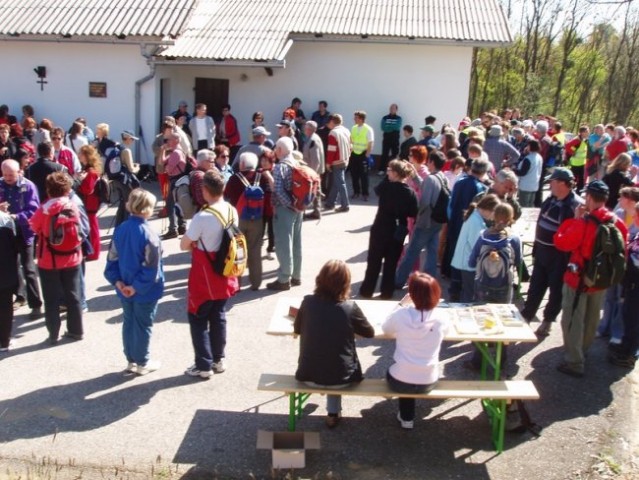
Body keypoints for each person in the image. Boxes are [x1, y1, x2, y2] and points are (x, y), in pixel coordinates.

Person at [554, 180, 628, 377]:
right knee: (592, 318)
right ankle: (583, 351)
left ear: (588, 198)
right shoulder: (616, 221)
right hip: (602, 280)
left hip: (578, 278)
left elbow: (562, 242)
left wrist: (574, 219)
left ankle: (574, 361)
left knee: (573, 319)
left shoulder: (585, 222)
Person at [294, 260, 375, 427]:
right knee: (337, 358)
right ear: (346, 283)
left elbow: (298, 328)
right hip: (342, 378)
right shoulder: (349, 307)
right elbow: (369, 333)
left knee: (325, 352)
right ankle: (333, 413)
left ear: (320, 279)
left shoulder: (308, 302)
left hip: (308, 375)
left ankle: (332, 413)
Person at [180, 170, 240, 378]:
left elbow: (184, 244)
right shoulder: (231, 210)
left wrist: (195, 243)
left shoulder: (202, 216)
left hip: (205, 274)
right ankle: (218, 359)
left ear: (205, 191)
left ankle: (203, 364)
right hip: (225, 271)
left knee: (198, 318)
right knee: (218, 316)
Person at [104, 188, 164, 375]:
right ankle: (142, 361)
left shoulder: (121, 229)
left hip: (124, 285)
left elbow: (112, 258)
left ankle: (131, 359)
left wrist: (118, 282)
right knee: (143, 324)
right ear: (148, 209)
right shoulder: (149, 234)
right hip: (144, 290)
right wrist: (136, 287)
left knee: (129, 322)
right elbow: (151, 267)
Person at [520, 168, 584, 337]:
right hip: (542, 250)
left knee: (556, 290)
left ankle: (548, 321)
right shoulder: (551, 199)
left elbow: (573, 234)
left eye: (553, 182)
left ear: (563, 184)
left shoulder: (575, 205)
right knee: (535, 286)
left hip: (559, 256)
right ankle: (526, 316)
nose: (550, 185)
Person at [382, 272, 448, 429]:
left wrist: (401, 304)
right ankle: (407, 418)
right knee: (413, 372)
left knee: (403, 372)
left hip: (399, 379)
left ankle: (407, 419)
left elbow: (386, 329)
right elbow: (447, 332)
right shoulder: (441, 318)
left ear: (411, 294)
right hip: (429, 379)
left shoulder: (401, 314)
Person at [29, 172, 84, 344]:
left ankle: (54, 334)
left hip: (49, 259)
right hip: (73, 257)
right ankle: (76, 331)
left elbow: (34, 227)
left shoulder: (45, 208)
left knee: (51, 299)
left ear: (48, 189)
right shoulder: (72, 205)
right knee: (73, 295)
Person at [360, 160, 418, 299]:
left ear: (396, 173)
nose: (387, 172)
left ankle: (367, 290)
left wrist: (388, 178)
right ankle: (386, 292)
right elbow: (413, 212)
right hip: (397, 230)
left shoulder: (385, 187)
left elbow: (377, 190)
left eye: (389, 170)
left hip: (380, 227)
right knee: (391, 264)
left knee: (374, 261)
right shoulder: (409, 192)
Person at [395, 151, 447, 285]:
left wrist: (416, 215)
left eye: (429, 161)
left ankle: (399, 281)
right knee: (432, 252)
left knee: (411, 252)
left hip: (425, 223)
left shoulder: (430, 179)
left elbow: (424, 202)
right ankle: (428, 282)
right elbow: (426, 186)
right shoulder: (442, 177)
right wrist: (415, 175)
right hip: (437, 222)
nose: (427, 163)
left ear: (432, 163)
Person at [0, 159, 42, 317]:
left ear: (19, 172)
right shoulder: (0, 184)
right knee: (12, 266)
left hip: (25, 232)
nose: (8, 178)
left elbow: (34, 210)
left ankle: (36, 304)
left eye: (11, 175)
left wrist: (16, 217)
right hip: (6, 232)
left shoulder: (28, 186)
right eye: (5, 175)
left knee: (29, 268)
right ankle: (20, 296)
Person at [442, 158, 490, 294]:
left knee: (453, 248)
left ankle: (449, 273)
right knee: (463, 251)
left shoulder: (460, 181)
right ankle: (457, 280)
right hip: (467, 223)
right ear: (484, 172)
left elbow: (451, 204)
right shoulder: (479, 187)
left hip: (455, 220)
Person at [224, 152, 268, 290]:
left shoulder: (234, 179)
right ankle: (256, 282)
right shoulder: (262, 178)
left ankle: (237, 283)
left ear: (241, 164)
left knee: (238, 250)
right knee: (255, 250)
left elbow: (226, 196)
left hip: (239, 219)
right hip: (258, 219)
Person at [267, 137, 304, 291]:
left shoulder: (279, 167)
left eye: (276, 148)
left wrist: (290, 205)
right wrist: (297, 206)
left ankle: (283, 279)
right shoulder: (297, 163)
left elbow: (278, 190)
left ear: (280, 150)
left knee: (283, 244)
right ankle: (296, 276)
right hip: (299, 209)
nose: (275, 151)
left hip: (285, 210)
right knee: (296, 242)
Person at [469, 203, 522, 303]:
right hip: (504, 284)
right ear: (511, 218)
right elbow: (518, 262)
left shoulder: (483, 236)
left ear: (494, 216)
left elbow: (471, 262)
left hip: (483, 283)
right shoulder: (514, 239)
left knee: (481, 313)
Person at [451, 194, 500, 302]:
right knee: (470, 293)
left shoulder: (475, 216)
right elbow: (476, 245)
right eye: (493, 213)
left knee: (467, 291)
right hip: (468, 262)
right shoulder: (475, 221)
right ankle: (465, 313)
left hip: (467, 260)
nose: (493, 217)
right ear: (488, 209)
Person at [608, 201, 639, 369]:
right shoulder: (637, 234)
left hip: (636, 286)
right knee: (628, 317)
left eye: (636, 214)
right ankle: (625, 347)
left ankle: (630, 355)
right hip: (631, 285)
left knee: (635, 322)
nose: (633, 216)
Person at [77, 145, 102, 261]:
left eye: (81, 154)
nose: (79, 156)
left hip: (90, 203)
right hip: (89, 203)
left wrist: (80, 181)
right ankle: (93, 251)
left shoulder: (90, 172)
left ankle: (94, 253)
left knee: (92, 228)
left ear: (86, 156)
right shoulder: (89, 170)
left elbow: (88, 189)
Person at [160, 132, 187, 239]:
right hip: (177, 180)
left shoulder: (176, 153)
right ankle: (181, 226)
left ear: (176, 140)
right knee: (177, 204)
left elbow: (168, 169)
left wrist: (167, 168)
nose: (168, 142)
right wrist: (162, 151)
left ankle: (173, 229)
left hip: (176, 180)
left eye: (170, 140)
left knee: (170, 205)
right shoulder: (176, 152)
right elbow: (162, 162)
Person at [324, 114, 351, 212]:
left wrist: (328, 163)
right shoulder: (346, 131)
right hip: (345, 160)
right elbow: (350, 145)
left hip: (337, 161)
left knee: (340, 183)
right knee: (337, 182)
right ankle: (330, 203)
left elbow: (331, 150)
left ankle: (345, 205)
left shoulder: (333, 133)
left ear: (332, 121)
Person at [0, 210, 18, 351]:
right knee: (5, 307)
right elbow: (15, 246)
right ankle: (4, 342)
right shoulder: (5, 219)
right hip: (5, 271)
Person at [302, 121, 325, 220]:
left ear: (311, 129)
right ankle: (317, 211)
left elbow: (316, 159)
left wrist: (312, 174)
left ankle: (315, 211)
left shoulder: (313, 140)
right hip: (312, 170)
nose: (304, 129)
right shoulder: (312, 138)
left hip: (312, 171)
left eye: (306, 128)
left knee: (313, 191)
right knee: (316, 191)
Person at [350, 111, 374, 201]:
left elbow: (370, 143)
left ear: (361, 119)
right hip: (354, 154)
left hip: (363, 154)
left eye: (356, 117)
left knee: (364, 175)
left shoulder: (368, 129)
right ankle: (356, 192)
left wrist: (367, 155)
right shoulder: (353, 128)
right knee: (354, 175)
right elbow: (351, 140)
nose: (354, 119)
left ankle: (365, 193)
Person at [514, 139, 543, 207]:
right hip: (534, 185)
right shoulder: (539, 157)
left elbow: (522, 173)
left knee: (524, 205)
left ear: (530, 146)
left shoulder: (528, 159)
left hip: (526, 186)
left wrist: (514, 170)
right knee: (530, 205)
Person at [379, 104, 402, 175]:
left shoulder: (399, 118)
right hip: (386, 139)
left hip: (395, 139)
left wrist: (388, 126)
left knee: (394, 155)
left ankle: (395, 170)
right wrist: (391, 127)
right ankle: (382, 170)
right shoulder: (385, 118)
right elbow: (383, 127)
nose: (392, 109)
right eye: (391, 108)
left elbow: (397, 127)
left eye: (393, 108)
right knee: (384, 154)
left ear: (396, 110)